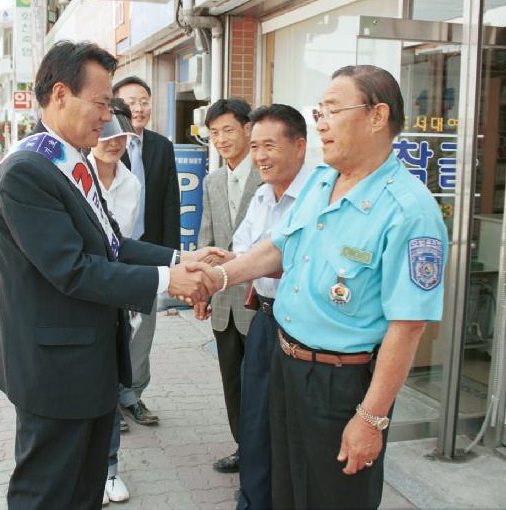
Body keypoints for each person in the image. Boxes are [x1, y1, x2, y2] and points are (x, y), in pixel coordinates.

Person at [192, 65, 448, 509]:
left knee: (335, 497)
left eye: (332, 111)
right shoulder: (323, 182)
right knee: (286, 488)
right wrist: (219, 277)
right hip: (287, 363)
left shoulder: (409, 210)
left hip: (341, 382)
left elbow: (408, 327)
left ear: (376, 116)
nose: (321, 123)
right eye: (319, 111)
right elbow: (278, 246)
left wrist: (371, 419)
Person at [0, 40, 220, 510]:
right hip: (54, 373)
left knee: (83, 490)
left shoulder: (73, 160)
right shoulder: (26, 172)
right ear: (59, 95)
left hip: (90, 364)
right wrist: (165, 283)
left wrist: (180, 259)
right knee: (48, 493)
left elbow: (112, 243)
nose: (108, 117)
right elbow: (73, 270)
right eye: (99, 103)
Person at [230, 104, 312, 509]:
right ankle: (253, 501)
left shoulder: (318, 197)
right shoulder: (262, 194)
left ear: (300, 146)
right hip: (263, 319)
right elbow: (242, 249)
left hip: (301, 327)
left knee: (293, 424)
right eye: (255, 146)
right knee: (256, 420)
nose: (259, 156)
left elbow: (287, 259)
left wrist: (241, 267)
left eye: (269, 146)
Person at [195, 98, 260, 474]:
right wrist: (202, 292)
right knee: (232, 384)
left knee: (260, 386)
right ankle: (243, 448)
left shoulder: (266, 174)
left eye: (228, 130)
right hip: (224, 305)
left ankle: (261, 454)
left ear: (248, 129)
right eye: (214, 133)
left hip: (260, 303)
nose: (221, 139)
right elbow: (207, 238)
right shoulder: (212, 181)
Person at [114, 75, 180, 427]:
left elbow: (171, 201)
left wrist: (173, 260)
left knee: (144, 330)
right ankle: (109, 402)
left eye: (143, 101)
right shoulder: (106, 143)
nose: (138, 108)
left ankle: (133, 397)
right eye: (130, 102)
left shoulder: (161, 146)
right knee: (113, 330)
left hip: (150, 254)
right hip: (114, 255)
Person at [87, 97, 140, 505]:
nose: (114, 143)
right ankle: (88, 472)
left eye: (121, 137)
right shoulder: (75, 173)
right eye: (107, 136)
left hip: (114, 294)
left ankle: (109, 470)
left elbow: (119, 243)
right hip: (85, 293)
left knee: (109, 387)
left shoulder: (131, 183)